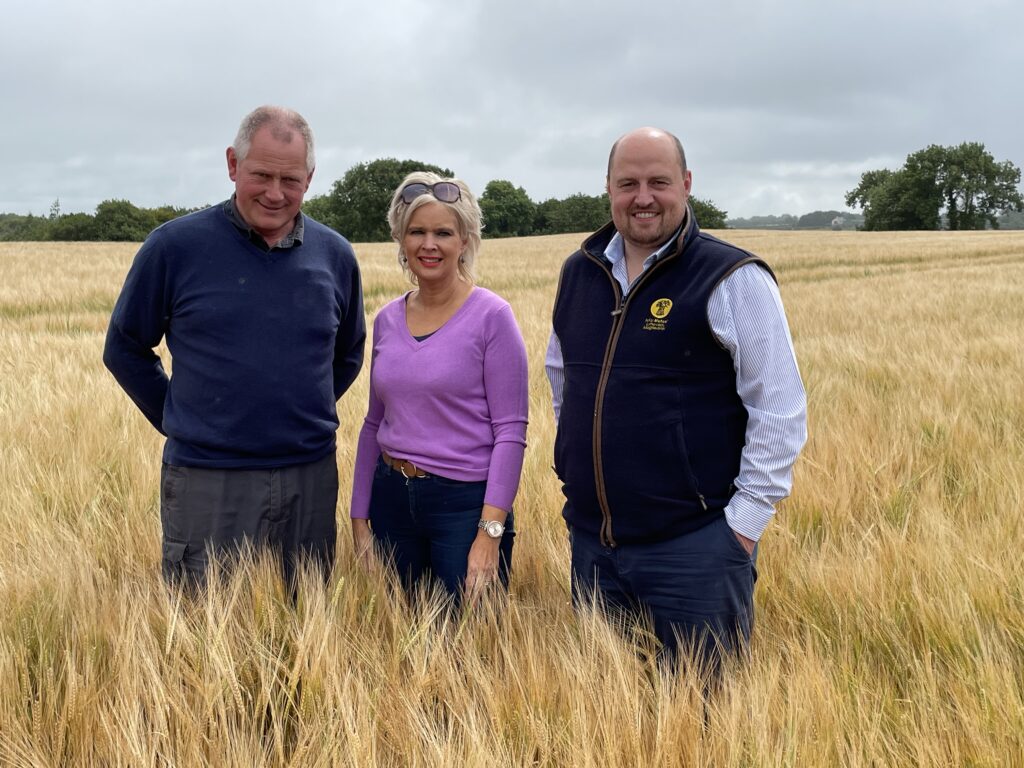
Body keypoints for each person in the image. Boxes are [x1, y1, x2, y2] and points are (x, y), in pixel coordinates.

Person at [546, 127, 807, 673]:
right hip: (594, 545)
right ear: (609, 189)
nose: (643, 197)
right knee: (605, 713)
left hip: (695, 549)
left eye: (658, 182)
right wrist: (580, 464)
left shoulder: (731, 276)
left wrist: (741, 528)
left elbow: (779, 406)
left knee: (704, 719)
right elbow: (563, 376)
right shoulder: (580, 272)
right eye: (628, 183)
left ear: (686, 185)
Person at [103, 105, 366, 588]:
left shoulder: (335, 256)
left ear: (309, 178)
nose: (274, 193)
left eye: (290, 180)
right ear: (232, 165)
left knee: (306, 621)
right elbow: (124, 347)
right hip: (207, 478)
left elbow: (348, 352)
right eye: (261, 175)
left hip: (309, 474)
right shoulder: (173, 248)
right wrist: (181, 418)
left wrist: (301, 413)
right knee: (206, 631)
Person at [349, 171, 528, 602]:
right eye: (417, 232)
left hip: (463, 506)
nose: (429, 245)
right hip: (392, 499)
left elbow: (511, 431)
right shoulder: (387, 319)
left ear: (464, 240)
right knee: (400, 635)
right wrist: (359, 517)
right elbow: (374, 422)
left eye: (443, 232)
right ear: (401, 239)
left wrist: (490, 535)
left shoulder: (492, 317)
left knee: (468, 645)